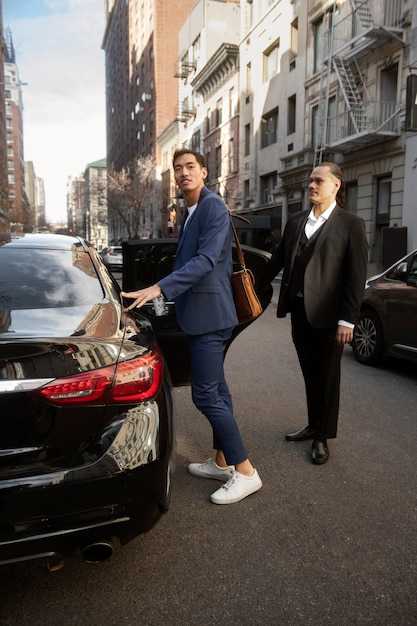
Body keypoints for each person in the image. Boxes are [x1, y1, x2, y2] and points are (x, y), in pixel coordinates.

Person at [121, 149, 262, 504]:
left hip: (210, 317)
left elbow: (206, 260)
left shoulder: (213, 207)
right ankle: (222, 460)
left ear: (204, 171)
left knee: (206, 395)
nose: (183, 173)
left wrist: (159, 288)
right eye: (177, 169)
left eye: (190, 167)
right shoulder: (191, 210)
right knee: (219, 391)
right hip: (201, 315)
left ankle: (246, 471)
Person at [263, 162, 368, 464]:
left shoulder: (351, 225)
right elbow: (277, 261)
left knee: (328, 377)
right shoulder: (296, 222)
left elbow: (355, 276)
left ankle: (322, 436)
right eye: (310, 180)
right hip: (300, 313)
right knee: (310, 374)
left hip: (331, 318)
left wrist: (348, 320)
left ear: (336, 185)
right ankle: (312, 425)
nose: (311, 185)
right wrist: (247, 282)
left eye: (319, 180)